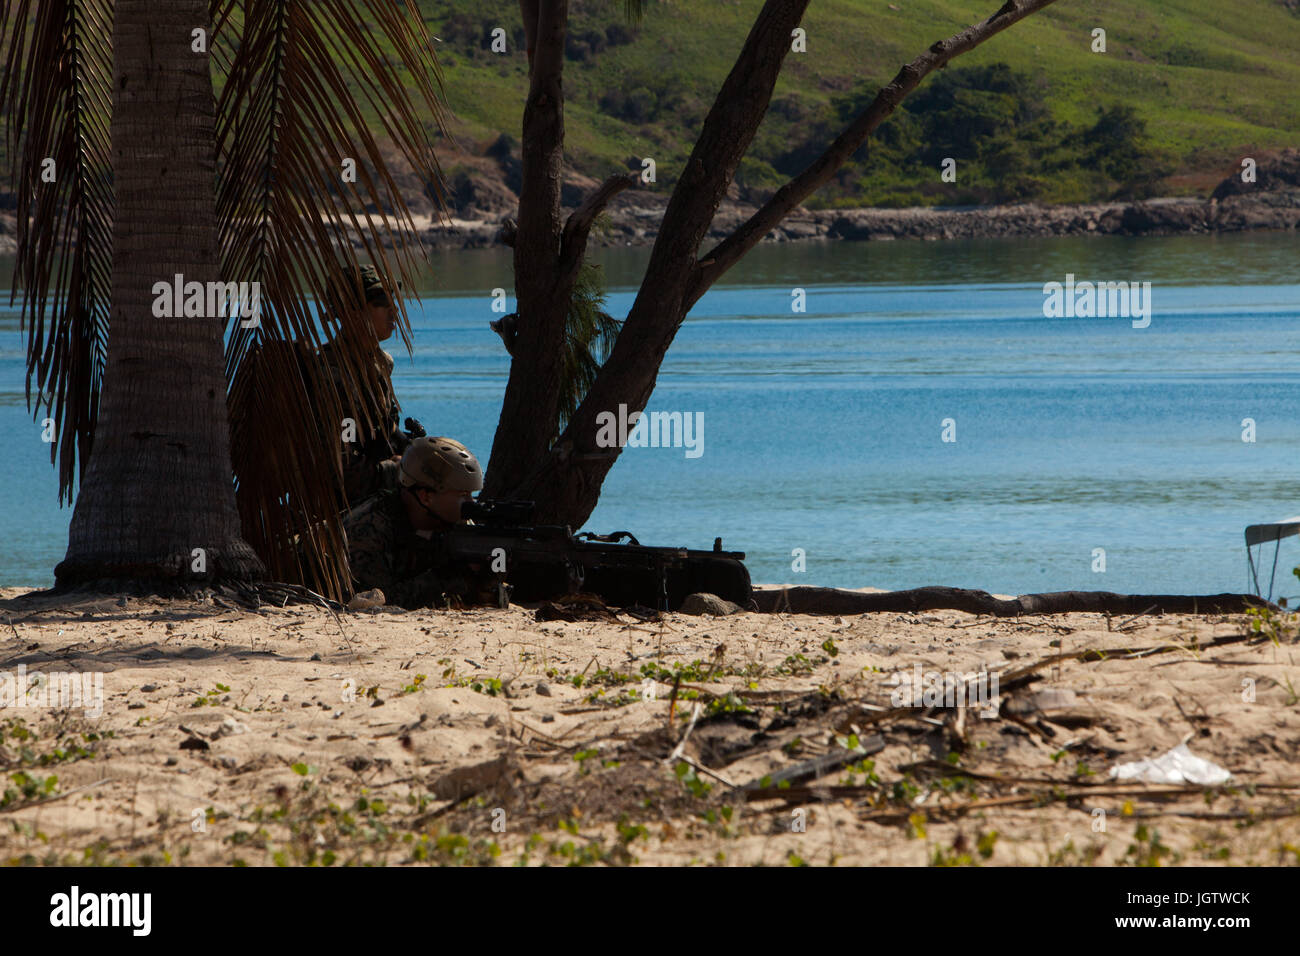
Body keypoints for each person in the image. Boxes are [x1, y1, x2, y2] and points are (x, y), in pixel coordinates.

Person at [343, 435, 488, 609]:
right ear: (425, 496)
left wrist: (489, 574)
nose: (470, 503)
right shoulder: (368, 530)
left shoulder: (455, 524)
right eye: (463, 495)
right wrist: (446, 577)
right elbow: (372, 603)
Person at [320, 263, 408, 508]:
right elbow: (340, 469)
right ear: (352, 312)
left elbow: (387, 431)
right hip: (339, 511)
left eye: (394, 301)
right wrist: (397, 471)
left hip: (374, 494)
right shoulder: (332, 373)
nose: (394, 312)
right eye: (381, 303)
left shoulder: (381, 363)